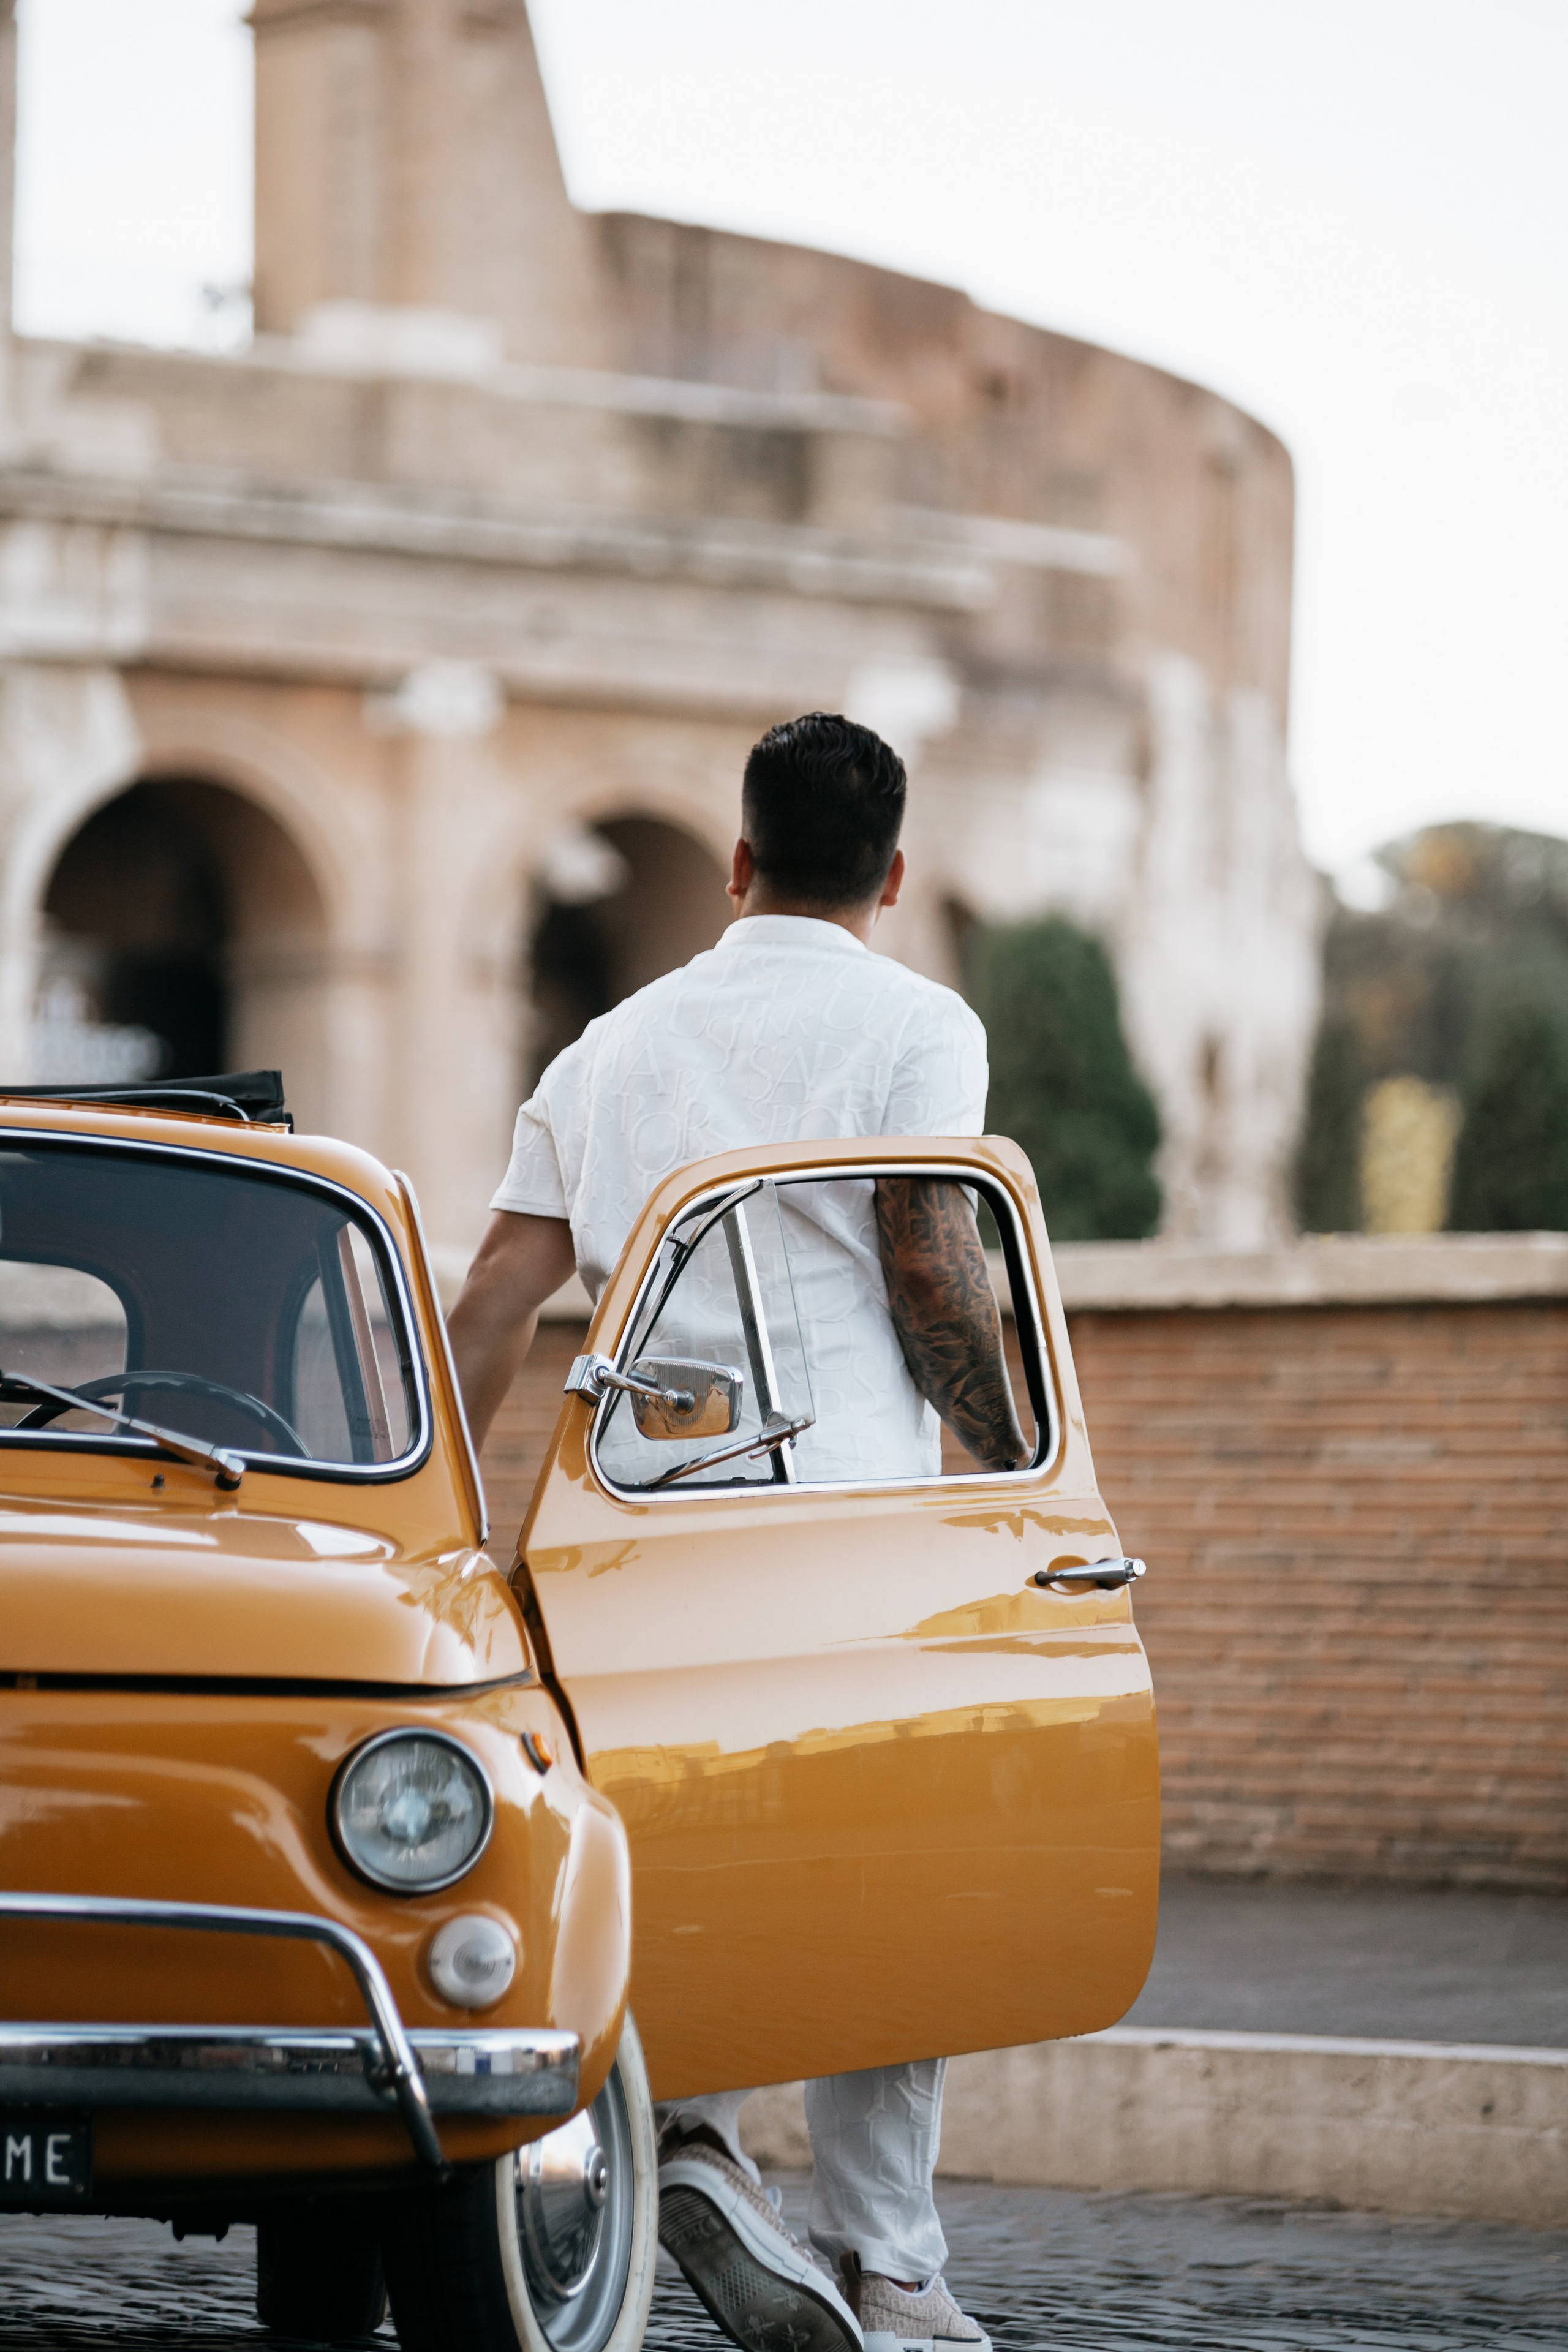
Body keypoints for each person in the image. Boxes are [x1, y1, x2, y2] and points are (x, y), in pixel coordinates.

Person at [450, 713, 1023, 2352]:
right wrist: (1003, 1474)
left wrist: (436, 1514)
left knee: (675, 1848)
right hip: (845, 1510)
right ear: (895, 874)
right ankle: (892, 2263)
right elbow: (932, 1272)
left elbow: (496, 1297)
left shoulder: (613, 1047)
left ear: (737, 861)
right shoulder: (921, 1027)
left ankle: (689, 2130)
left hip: (636, 1513)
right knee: (884, 1874)